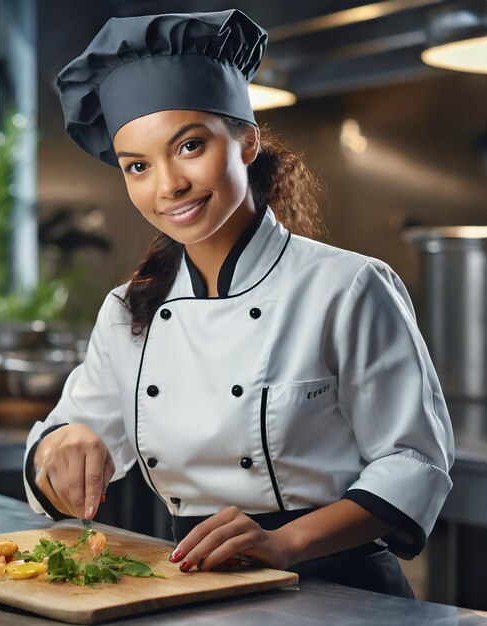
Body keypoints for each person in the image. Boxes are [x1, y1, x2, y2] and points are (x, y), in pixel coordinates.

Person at [24, 9, 454, 598]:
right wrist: (60, 448)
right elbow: (68, 436)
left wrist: (285, 544)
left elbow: (414, 462)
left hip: (337, 588)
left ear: (248, 142)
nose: (167, 185)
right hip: (191, 580)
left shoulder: (347, 286)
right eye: (138, 167)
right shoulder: (130, 308)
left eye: (190, 146)